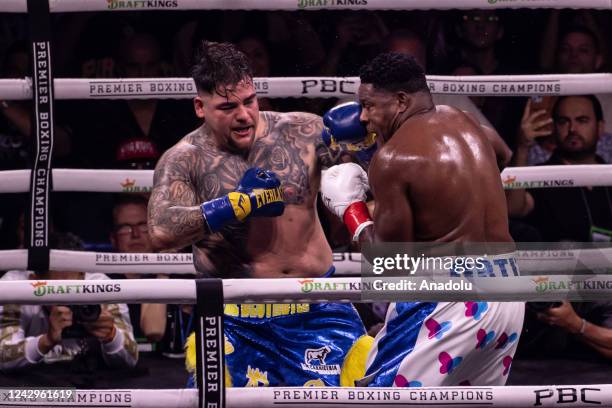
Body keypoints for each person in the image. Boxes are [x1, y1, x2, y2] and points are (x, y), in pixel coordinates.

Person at [147, 41, 367, 387]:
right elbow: (161, 231)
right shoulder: (185, 158)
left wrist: (367, 149)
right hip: (233, 316)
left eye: (250, 101)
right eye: (227, 106)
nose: (244, 115)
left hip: (316, 310)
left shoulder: (304, 132)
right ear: (199, 107)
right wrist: (236, 205)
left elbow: (364, 184)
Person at [320, 52, 524, 386]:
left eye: (369, 105)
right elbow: (501, 154)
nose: (363, 117)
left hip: (448, 299)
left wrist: (351, 210)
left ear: (400, 101)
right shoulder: (462, 119)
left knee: (379, 398)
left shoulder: (393, 160)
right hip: (508, 291)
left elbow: (389, 264)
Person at [0, 232, 138, 372]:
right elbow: (3, 356)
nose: (65, 301)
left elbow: (131, 359)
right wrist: (46, 341)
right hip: (31, 388)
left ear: (83, 276)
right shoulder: (14, 288)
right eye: (56, 290)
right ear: (34, 280)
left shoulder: (101, 287)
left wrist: (111, 336)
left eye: (73, 288)